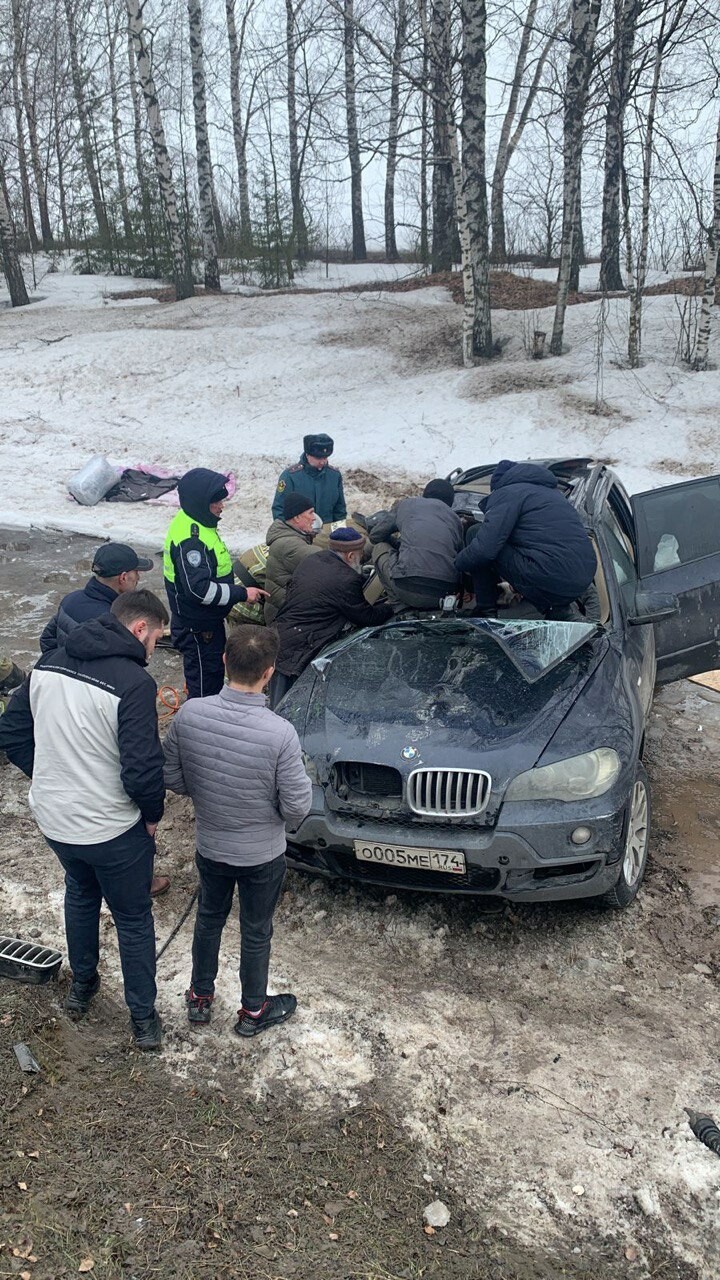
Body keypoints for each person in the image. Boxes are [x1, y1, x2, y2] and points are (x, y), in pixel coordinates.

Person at [0, 590, 169, 1051]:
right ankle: (142, 1018)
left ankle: (82, 988)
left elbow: (10, 732)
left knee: (79, 895)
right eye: (157, 637)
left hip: (55, 819)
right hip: (111, 827)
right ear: (139, 629)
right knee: (133, 919)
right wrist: (152, 816)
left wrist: (52, 775)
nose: (156, 647)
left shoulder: (48, 662)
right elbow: (141, 769)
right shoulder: (133, 683)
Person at [163, 625, 312, 1037]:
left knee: (208, 919)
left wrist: (209, 796)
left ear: (224, 661)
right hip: (261, 855)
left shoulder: (191, 713)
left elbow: (170, 774)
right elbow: (298, 805)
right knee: (256, 929)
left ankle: (199, 998)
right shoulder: (279, 732)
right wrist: (274, 818)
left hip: (211, 845)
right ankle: (253, 1012)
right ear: (270, 672)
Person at [164, 467, 267, 698]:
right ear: (200, 503)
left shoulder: (198, 523)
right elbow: (198, 590)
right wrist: (241, 594)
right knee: (205, 685)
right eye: (216, 502)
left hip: (206, 623)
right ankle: (199, 728)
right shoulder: (191, 541)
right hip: (198, 628)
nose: (222, 507)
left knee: (212, 675)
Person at [454, 460, 597, 618]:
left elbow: (484, 550)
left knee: (476, 532)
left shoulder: (507, 492)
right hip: (582, 578)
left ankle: (486, 611)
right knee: (538, 566)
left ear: (497, 486)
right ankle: (560, 614)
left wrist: (456, 564)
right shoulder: (554, 495)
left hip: (548, 571)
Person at [271, 527, 394, 706]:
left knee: (279, 697)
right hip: (302, 645)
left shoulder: (313, 560)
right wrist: (390, 607)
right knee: (290, 703)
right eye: (360, 555)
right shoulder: (345, 579)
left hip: (282, 635)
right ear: (351, 556)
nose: (361, 560)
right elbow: (366, 617)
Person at [39, 542, 153, 654]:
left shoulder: (70, 600)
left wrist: (59, 667)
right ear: (123, 578)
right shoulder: (114, 621)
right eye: (136, 572)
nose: (138, 577)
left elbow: (47, 640)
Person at [369, 479, 464, 609]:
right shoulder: (456, 520)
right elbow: (461, 559)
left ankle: (397, 606)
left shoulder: (407, 505)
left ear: (424, 494)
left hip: (406, 588)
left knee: (379, 548)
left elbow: (375, 536)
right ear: (451, 502)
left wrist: (397, 542)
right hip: (444, 595)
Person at [264, 492, 323, 625]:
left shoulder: (292, 536)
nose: (314, 518)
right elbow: (324, 561)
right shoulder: (289, 544)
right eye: (310, 513)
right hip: (285, 619)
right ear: (296, 518)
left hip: (287, 612)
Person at [272, 434, 346, 525]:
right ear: (307, 455)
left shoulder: (334, 476)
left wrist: (339, 533)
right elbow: (279, 510)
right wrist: (290, 534)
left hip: (327, 534)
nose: (322, 462)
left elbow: (340, 510)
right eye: (318, 458)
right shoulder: (290, 477)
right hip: (299, 534)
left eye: (325, 457)